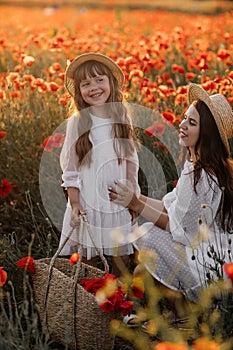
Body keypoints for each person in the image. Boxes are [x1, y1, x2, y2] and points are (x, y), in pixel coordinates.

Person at [109, 83, 233, 314]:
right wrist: (134, 197)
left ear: (207, 134)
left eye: (192, 123)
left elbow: (180, 231)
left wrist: (136, 204)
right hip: (203, 255)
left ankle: (182, 313)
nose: (182, 125)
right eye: (185, 117)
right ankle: (146, 309)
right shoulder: (197, 167)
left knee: (149, 233)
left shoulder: (204, 177)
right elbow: (171, 206)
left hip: (208, 268)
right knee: (143, 268)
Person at [58, 52, 140, 276]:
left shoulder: (121, 117)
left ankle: (119, 304)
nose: (94, 87)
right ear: (79, 91)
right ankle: (90, 304)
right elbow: (70, 167)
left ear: (112, 84)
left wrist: (133, 197)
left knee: (121, 259)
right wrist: (75, 203)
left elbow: (131, 161)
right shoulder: (77, 122)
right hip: (88, 201)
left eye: (99, 80)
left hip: (116, 199)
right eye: (86, 83)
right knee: (90, 259)